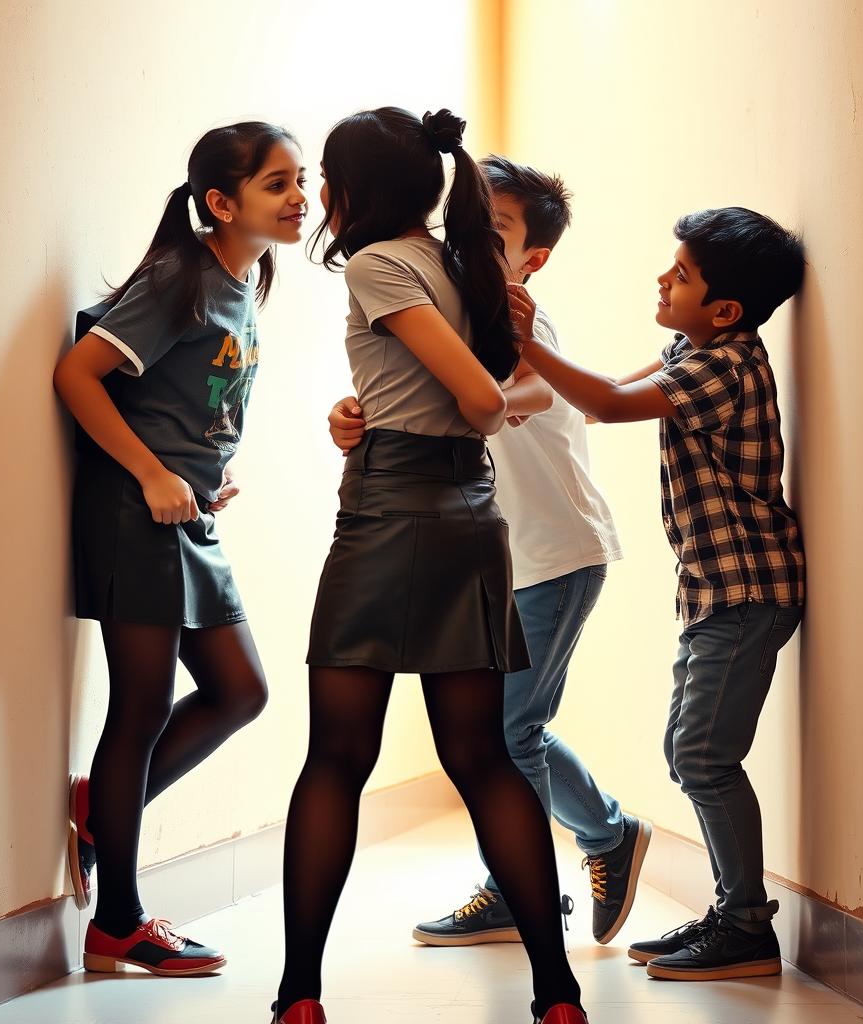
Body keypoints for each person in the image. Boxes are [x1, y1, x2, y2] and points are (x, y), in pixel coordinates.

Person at [272, 108, 588, 1024]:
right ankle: (558, 996)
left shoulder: (379, 263)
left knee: (335, 758)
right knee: (484, 758)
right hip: (467, 516)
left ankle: (299, 997)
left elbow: (485, 400)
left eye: (324, 177)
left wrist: (445, 407)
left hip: (388, 514)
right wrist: (363, 406)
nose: (318, 194)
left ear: (353, 190)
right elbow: (441, 382)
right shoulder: (462, 260)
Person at [328, 154, 650, 952]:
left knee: (510, 732)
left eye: (493, 229)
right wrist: (354, 418)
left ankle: (527, 881)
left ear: (530, 259)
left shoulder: (517, 317)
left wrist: (486, 394)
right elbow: (402, 398)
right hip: (493, 557)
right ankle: (604, 834)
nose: (467, 240)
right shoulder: (445, 309)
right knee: (515, 729)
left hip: (556, 554)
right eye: (461, 222)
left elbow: (531, 393)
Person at [510, 206, 806, 981]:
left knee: (702, 757)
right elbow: (603, 389)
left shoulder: (724, 365)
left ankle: (746, 926)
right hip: (719, 590)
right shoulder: (693, 347)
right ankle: (730, 912)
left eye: (680, 274)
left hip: (746, 590)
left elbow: (606, 407)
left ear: (726, 308)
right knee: (692, 753)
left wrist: (527, 344)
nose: (662, 278)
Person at [53, 121, 308, 977]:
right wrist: (155, 473)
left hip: (183, 513)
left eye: (298, 181)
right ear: (220, 202)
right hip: (135, 513)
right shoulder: (180, 279)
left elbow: (192, 398)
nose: (298, 197)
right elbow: (78, 374)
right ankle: (118, 921)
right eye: (277, 184)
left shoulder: (245, 279)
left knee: (240, 691)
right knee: (142, 708)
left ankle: (101, 810)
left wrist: (199, 474)